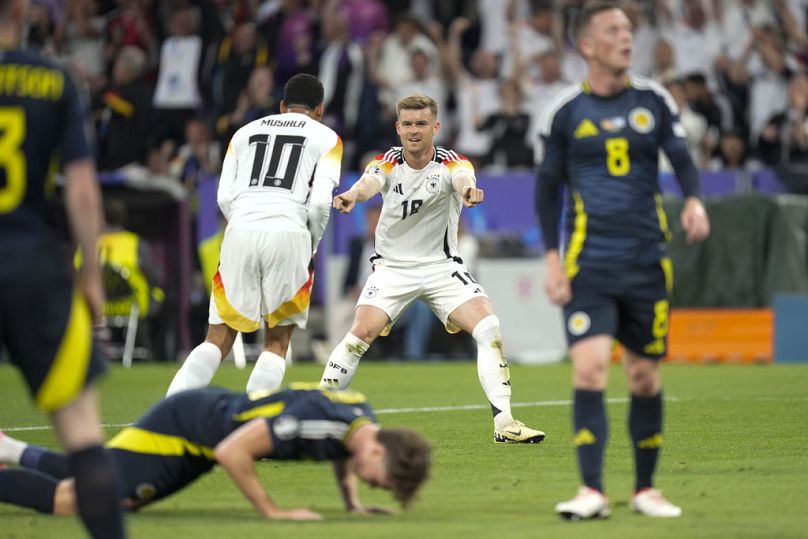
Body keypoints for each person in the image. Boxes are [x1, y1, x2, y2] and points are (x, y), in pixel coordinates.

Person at [535, 2, 711, 521]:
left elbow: (681, 159)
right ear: (587, 45)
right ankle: (591, 490)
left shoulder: (653, 100)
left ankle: (645, 490)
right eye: (613, 30)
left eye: (628, 29)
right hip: (589, 264)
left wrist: (695, 200)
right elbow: (547, 193)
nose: (626, 38)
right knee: (589, 369)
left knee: (644, 379)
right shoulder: (564, 112)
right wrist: (551, 259)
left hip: (647, 262)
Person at [319, 93, 545, 444]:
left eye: (421, 124)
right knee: (360, 334)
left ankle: (505, 423)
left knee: (488, 327)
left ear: (435, 127)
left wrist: (469, 190)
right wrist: (352, 195)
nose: (414, 131)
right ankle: (317, 416)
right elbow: (370, 183)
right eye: (407, 124)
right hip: (393, 268)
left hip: (441, 268)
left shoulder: (452, 161)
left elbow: (462, 178)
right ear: (397, 128)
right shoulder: (387, 162)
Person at [0, 0, 126, 537]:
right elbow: (80, 189)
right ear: (24, 8)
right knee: (82, 434)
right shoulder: (53, 79)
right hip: (32, 264)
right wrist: (91, 278)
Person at [0, 385, 432, 519]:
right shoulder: (319, 419)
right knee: (84, 502)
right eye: (380, 477)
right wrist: (273, 511)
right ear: (378, 448)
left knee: (115, 490)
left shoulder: (360, 423)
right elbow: (231, 453)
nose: (375, 480)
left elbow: (343, 453)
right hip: (185, 430)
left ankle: (10, 448)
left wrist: (353, 504)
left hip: (200, 434)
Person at [166, 73, 342, 396]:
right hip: (289, 231)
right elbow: (319, 204)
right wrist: (310, 244)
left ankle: (168, 414)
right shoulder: (327, 137)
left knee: (216, 338)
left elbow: (223, 196)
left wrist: (242, 224)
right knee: (277, 341)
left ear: (282, 106)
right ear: (319, 109)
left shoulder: (244, 133)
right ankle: (249, 423)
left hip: (240, 229)